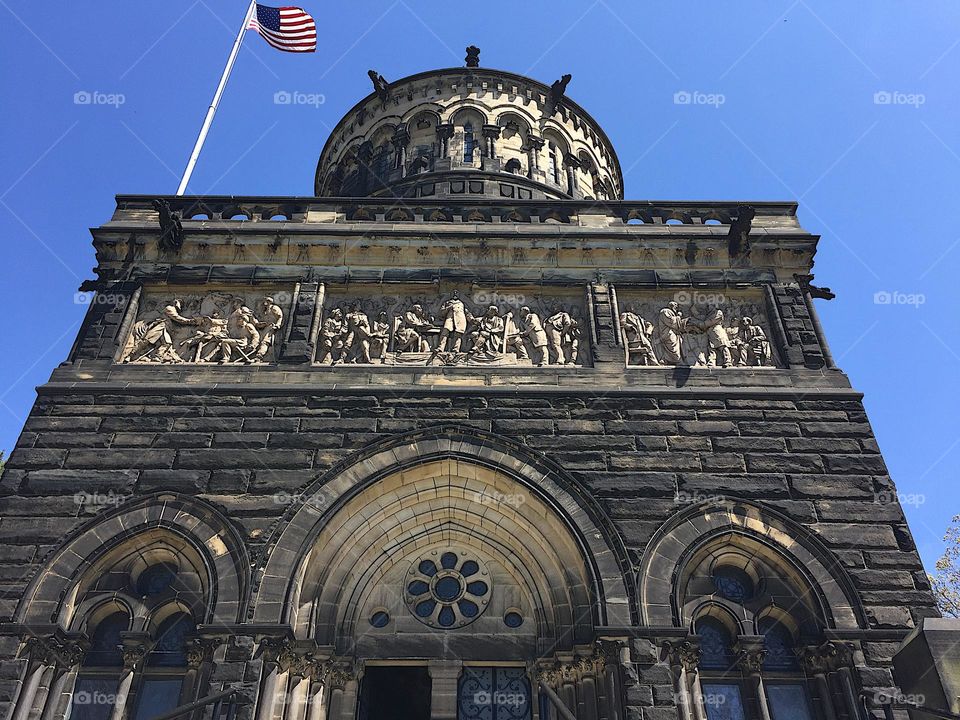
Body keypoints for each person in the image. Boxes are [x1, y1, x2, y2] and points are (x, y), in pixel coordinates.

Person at [121, 299, 200, 363]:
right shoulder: (169, 308)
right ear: (176, 302)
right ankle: (130, 356)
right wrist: (191, 321)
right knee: (145, 341)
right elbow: (177, 318)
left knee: (167, 343)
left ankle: (158, 355)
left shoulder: (174, 309)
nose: (181, 306)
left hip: (165, 329)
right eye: (180, 304)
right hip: (160, 327)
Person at [702, 303, 732, 368]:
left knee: (722, 346)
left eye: (709, 306)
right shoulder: (708, 315)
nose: (707, 308)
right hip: (710, 332)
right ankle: (711, 362)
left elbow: (711, 322)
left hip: (718, 331)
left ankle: (728, 361)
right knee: (711, 348)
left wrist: (703, 324)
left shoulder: (718, 312)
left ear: (713, 306)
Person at [254, 296, 284, 361]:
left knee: (265, 341)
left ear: (269, 302)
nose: (264, 303)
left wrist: (277, 325)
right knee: (259, 340)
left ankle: (260, 355)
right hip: (265, 327)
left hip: (271, 327)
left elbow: (280, 317)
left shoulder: (274, 308)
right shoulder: (265, 311)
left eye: (265, 301)